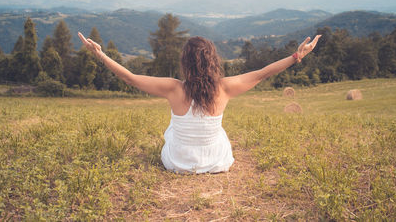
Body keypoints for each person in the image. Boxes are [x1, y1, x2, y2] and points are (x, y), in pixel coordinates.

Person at [78, 32, 321, 173]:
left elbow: (129, 78)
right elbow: (263, 73)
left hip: (177, 163)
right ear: (213, 61)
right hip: (216, 162)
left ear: (185, 62)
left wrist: (99, 53)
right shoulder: (224, 87)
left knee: (173, 129)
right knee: (220, 132)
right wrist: (297, 55)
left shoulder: (174, 88)